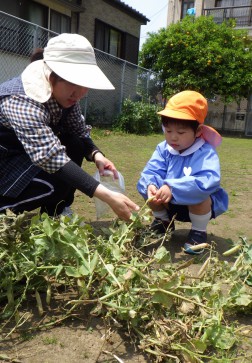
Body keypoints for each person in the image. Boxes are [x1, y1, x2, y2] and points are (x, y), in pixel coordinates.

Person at [0, 33, 139, 221]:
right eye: (75, 83)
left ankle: (55, 211)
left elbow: (79, 131)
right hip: (6, 162)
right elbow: (50, 157)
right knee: (53, 182)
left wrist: (97, 155)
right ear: (51, 76)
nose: (81, 93)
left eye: (85, 84)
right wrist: (107, 195)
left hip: (25, 156)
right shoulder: (20, 99)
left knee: (74, 143)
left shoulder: (67, 97)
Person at [137, 90, 228, 254]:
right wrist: (151, 184)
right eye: (168, 130)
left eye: (180, 132)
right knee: (148, 187)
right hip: (169, 204)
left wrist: (172, 187)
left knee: (200, 195)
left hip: (197, 206)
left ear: (198, 131)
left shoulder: (205, 152)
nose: (173, 138)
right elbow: (152, 170)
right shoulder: (164, 149)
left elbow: (208, 180)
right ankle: (163, 222)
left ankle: (198, 232)